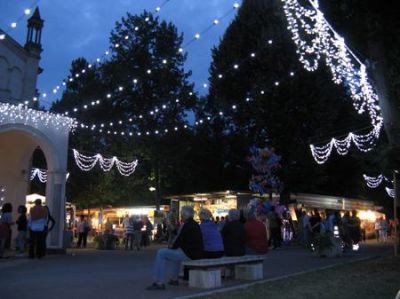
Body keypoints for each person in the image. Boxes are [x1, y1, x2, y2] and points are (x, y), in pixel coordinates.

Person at [146, 206, 203, 290]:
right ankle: (174, 279)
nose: (180, 216)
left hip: (189, 254)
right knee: (175, 254)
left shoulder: (186, 225)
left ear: (185, 215)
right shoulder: (194, 224)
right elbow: (181, 235)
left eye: (181, 214)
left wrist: (170, 248)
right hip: (195, 253)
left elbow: (177, 241)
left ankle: (159, 282)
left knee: (161, 253)